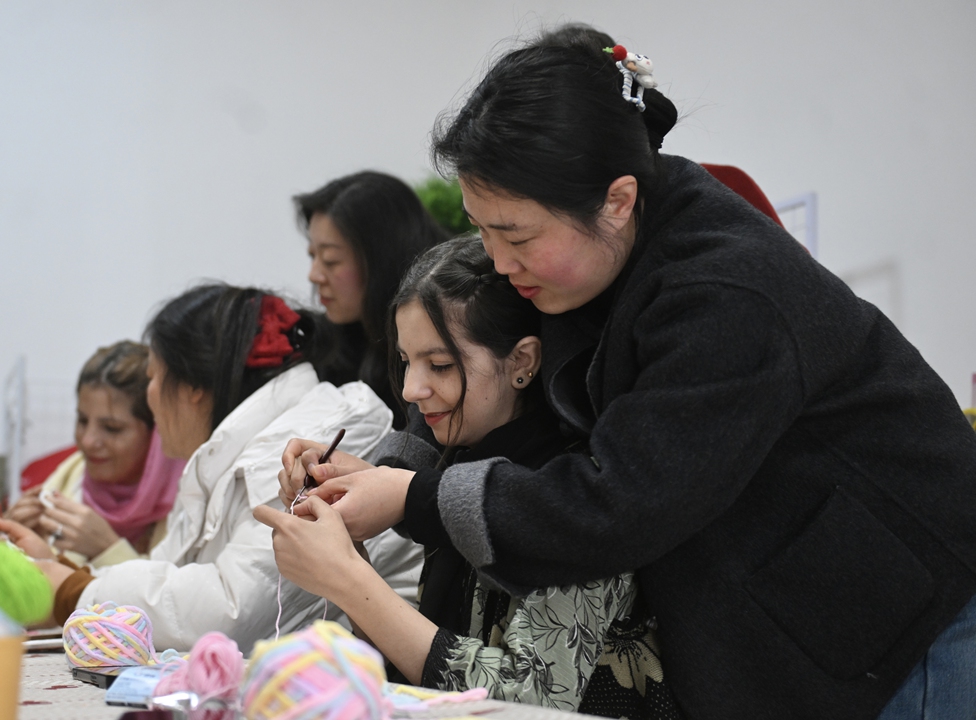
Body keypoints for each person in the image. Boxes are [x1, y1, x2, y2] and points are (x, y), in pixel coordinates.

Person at [276, 24, 976, 720]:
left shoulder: (728, 293)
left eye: (514, 236)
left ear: (615, 200)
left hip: (901, 617)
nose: (496, 260)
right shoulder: (583, 251)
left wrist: (411, 497)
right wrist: (382, 473)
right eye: (480, 227)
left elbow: (618, 506)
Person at [259, 238, 680, 717]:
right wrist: (344, 549)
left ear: (522, 361)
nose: (415, 390)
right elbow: (417, 677)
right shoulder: (456, 463)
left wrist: (349, 580)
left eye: (439, 365)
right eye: (405, 361)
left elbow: (531, 701)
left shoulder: (572, 492)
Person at [0, 285, 422, 652]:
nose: (150, 398)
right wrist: (61, 572)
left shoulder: (304, 441)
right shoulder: (229, 453)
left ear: (196, 388)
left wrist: (71, 591)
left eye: (154, 378)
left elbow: (231, 613)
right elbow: (174, 573)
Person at [0, 341, 185, 567]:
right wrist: (13, 548)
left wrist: (108, 549)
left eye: (112, 428)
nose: (88, 441)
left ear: (155, 434)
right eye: (82, 421)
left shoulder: (187, 502)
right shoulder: (62, 485)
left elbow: (175, 598)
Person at [296, 171, 449, 425]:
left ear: (381, 259)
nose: (314, 276)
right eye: (313, 256)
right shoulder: (329, 345)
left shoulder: (447, 334)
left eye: (331, 260)